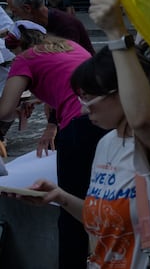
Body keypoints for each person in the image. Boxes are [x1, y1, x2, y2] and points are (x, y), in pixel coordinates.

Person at [25, 0, 150, 269]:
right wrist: (60, 197)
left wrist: (115, 30)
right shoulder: (106, 143)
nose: (84, 109)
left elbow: (142, 120)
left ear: (123, 94)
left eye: (90, 97)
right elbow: (102, 221)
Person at [0, 20, 108, 268]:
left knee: (70, 212)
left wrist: (13, 107)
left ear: (19, 47)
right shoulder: (68, 45)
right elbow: (67, 82)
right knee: (103, 198)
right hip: (108, 121)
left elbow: (4, 111)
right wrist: (36, 100)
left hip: (80, 126)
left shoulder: (25, 58)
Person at [7, 0, 95, 54]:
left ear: (27, 8)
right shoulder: (34, 23)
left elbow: (67, 61)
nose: (14, 15)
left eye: (14, 11)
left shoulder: (66, 25)